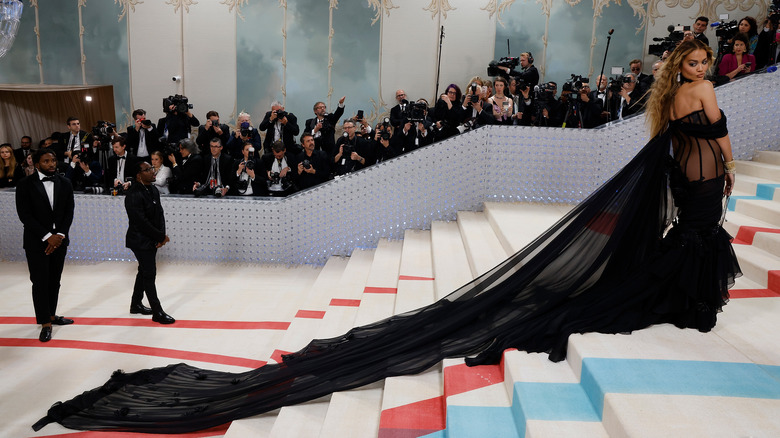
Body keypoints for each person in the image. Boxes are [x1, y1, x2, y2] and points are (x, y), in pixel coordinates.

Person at [31, 39, 743, 435]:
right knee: (680, 253)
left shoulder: (684, 102)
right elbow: (702, 142)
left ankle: (686, 287)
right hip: (695, 180)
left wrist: (715, 165)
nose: (702, 72)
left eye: (708, 64)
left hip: (698, 181)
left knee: (688, 248)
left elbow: (704, 141)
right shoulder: (692, 99)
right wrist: (711, 164)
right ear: (681, 67)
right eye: (695, 62)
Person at [15, 149, 75, 343]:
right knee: (40, 282)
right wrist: (48, 236)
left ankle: (51, 315)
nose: (51, 164)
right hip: (36, 242)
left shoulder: (65, 183)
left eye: (54, 160)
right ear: (37, 163)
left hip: (60, 241)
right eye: (47, 161)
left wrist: (59, 235)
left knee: (55, 280)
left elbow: (69, 212)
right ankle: (45, 323)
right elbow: (25, 215)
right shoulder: (25, 184)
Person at [124, 161, 175, 324]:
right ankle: (157, 311)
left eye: (152, 169)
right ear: (139, 175)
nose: (153, 172)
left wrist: (161, 236)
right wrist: (159, 237)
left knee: (143, 270)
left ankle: (136, 304)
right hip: (139, 240)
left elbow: (159, 214)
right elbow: (141, 222)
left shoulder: (153, 189)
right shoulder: (133, 194)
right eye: (148, 170)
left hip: (151, 238)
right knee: (149, 273)